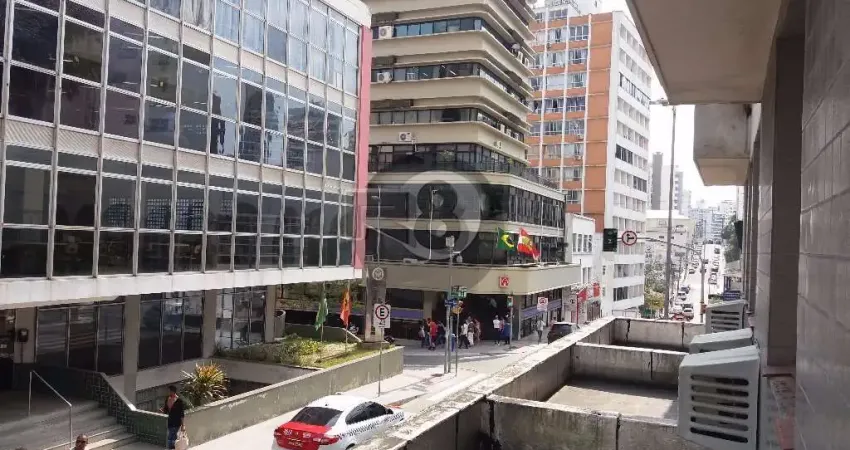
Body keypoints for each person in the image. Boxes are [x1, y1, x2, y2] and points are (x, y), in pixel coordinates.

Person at [160, 385, 185, 450]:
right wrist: (162, 410)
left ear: (172, 391)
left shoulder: (179, 401)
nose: (168, 393)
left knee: (172, 438)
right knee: (170, 437)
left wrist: (183, 425)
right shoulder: (167, 399)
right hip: (169, 422)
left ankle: (172, 448)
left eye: (169, 391)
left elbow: (181, 414)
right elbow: (166, 410)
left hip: (176, 422)